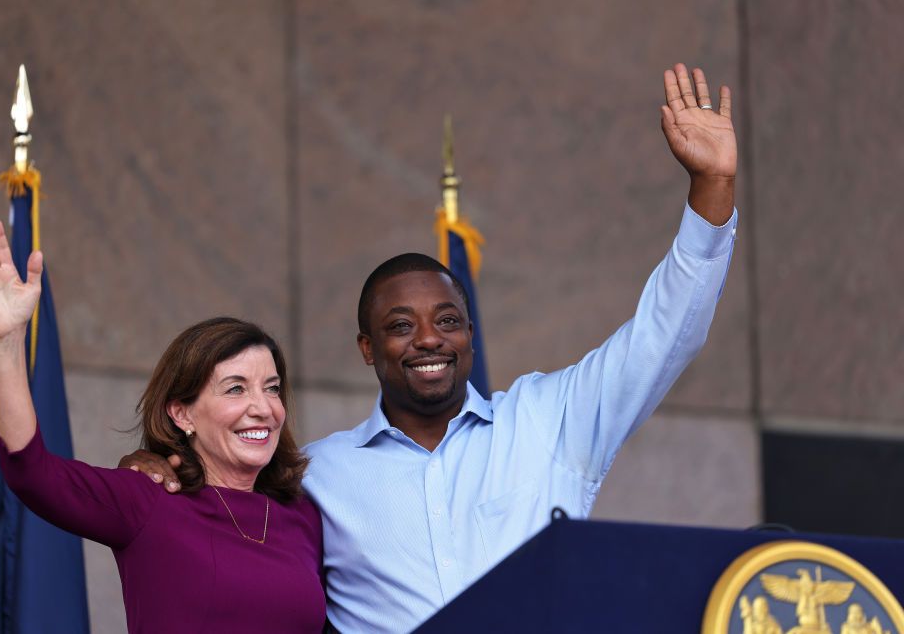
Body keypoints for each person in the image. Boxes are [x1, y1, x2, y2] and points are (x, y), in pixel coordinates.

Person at [123, 63, 739, 632]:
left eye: (448, 320)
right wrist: (144, 470)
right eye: (400, 326)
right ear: (368, 348)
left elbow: (665, 334)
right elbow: (217, 517)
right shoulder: (314, 476)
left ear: (470, 335)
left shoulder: (550, 422)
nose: (428, 339)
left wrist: (712, 187)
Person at [0, 220, 325, 633]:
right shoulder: (150, 500)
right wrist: (7, 342)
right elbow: (31, 473)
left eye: (272, 389)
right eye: (235, 389)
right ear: (182, 413)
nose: (263, 408)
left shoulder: (303, 514)